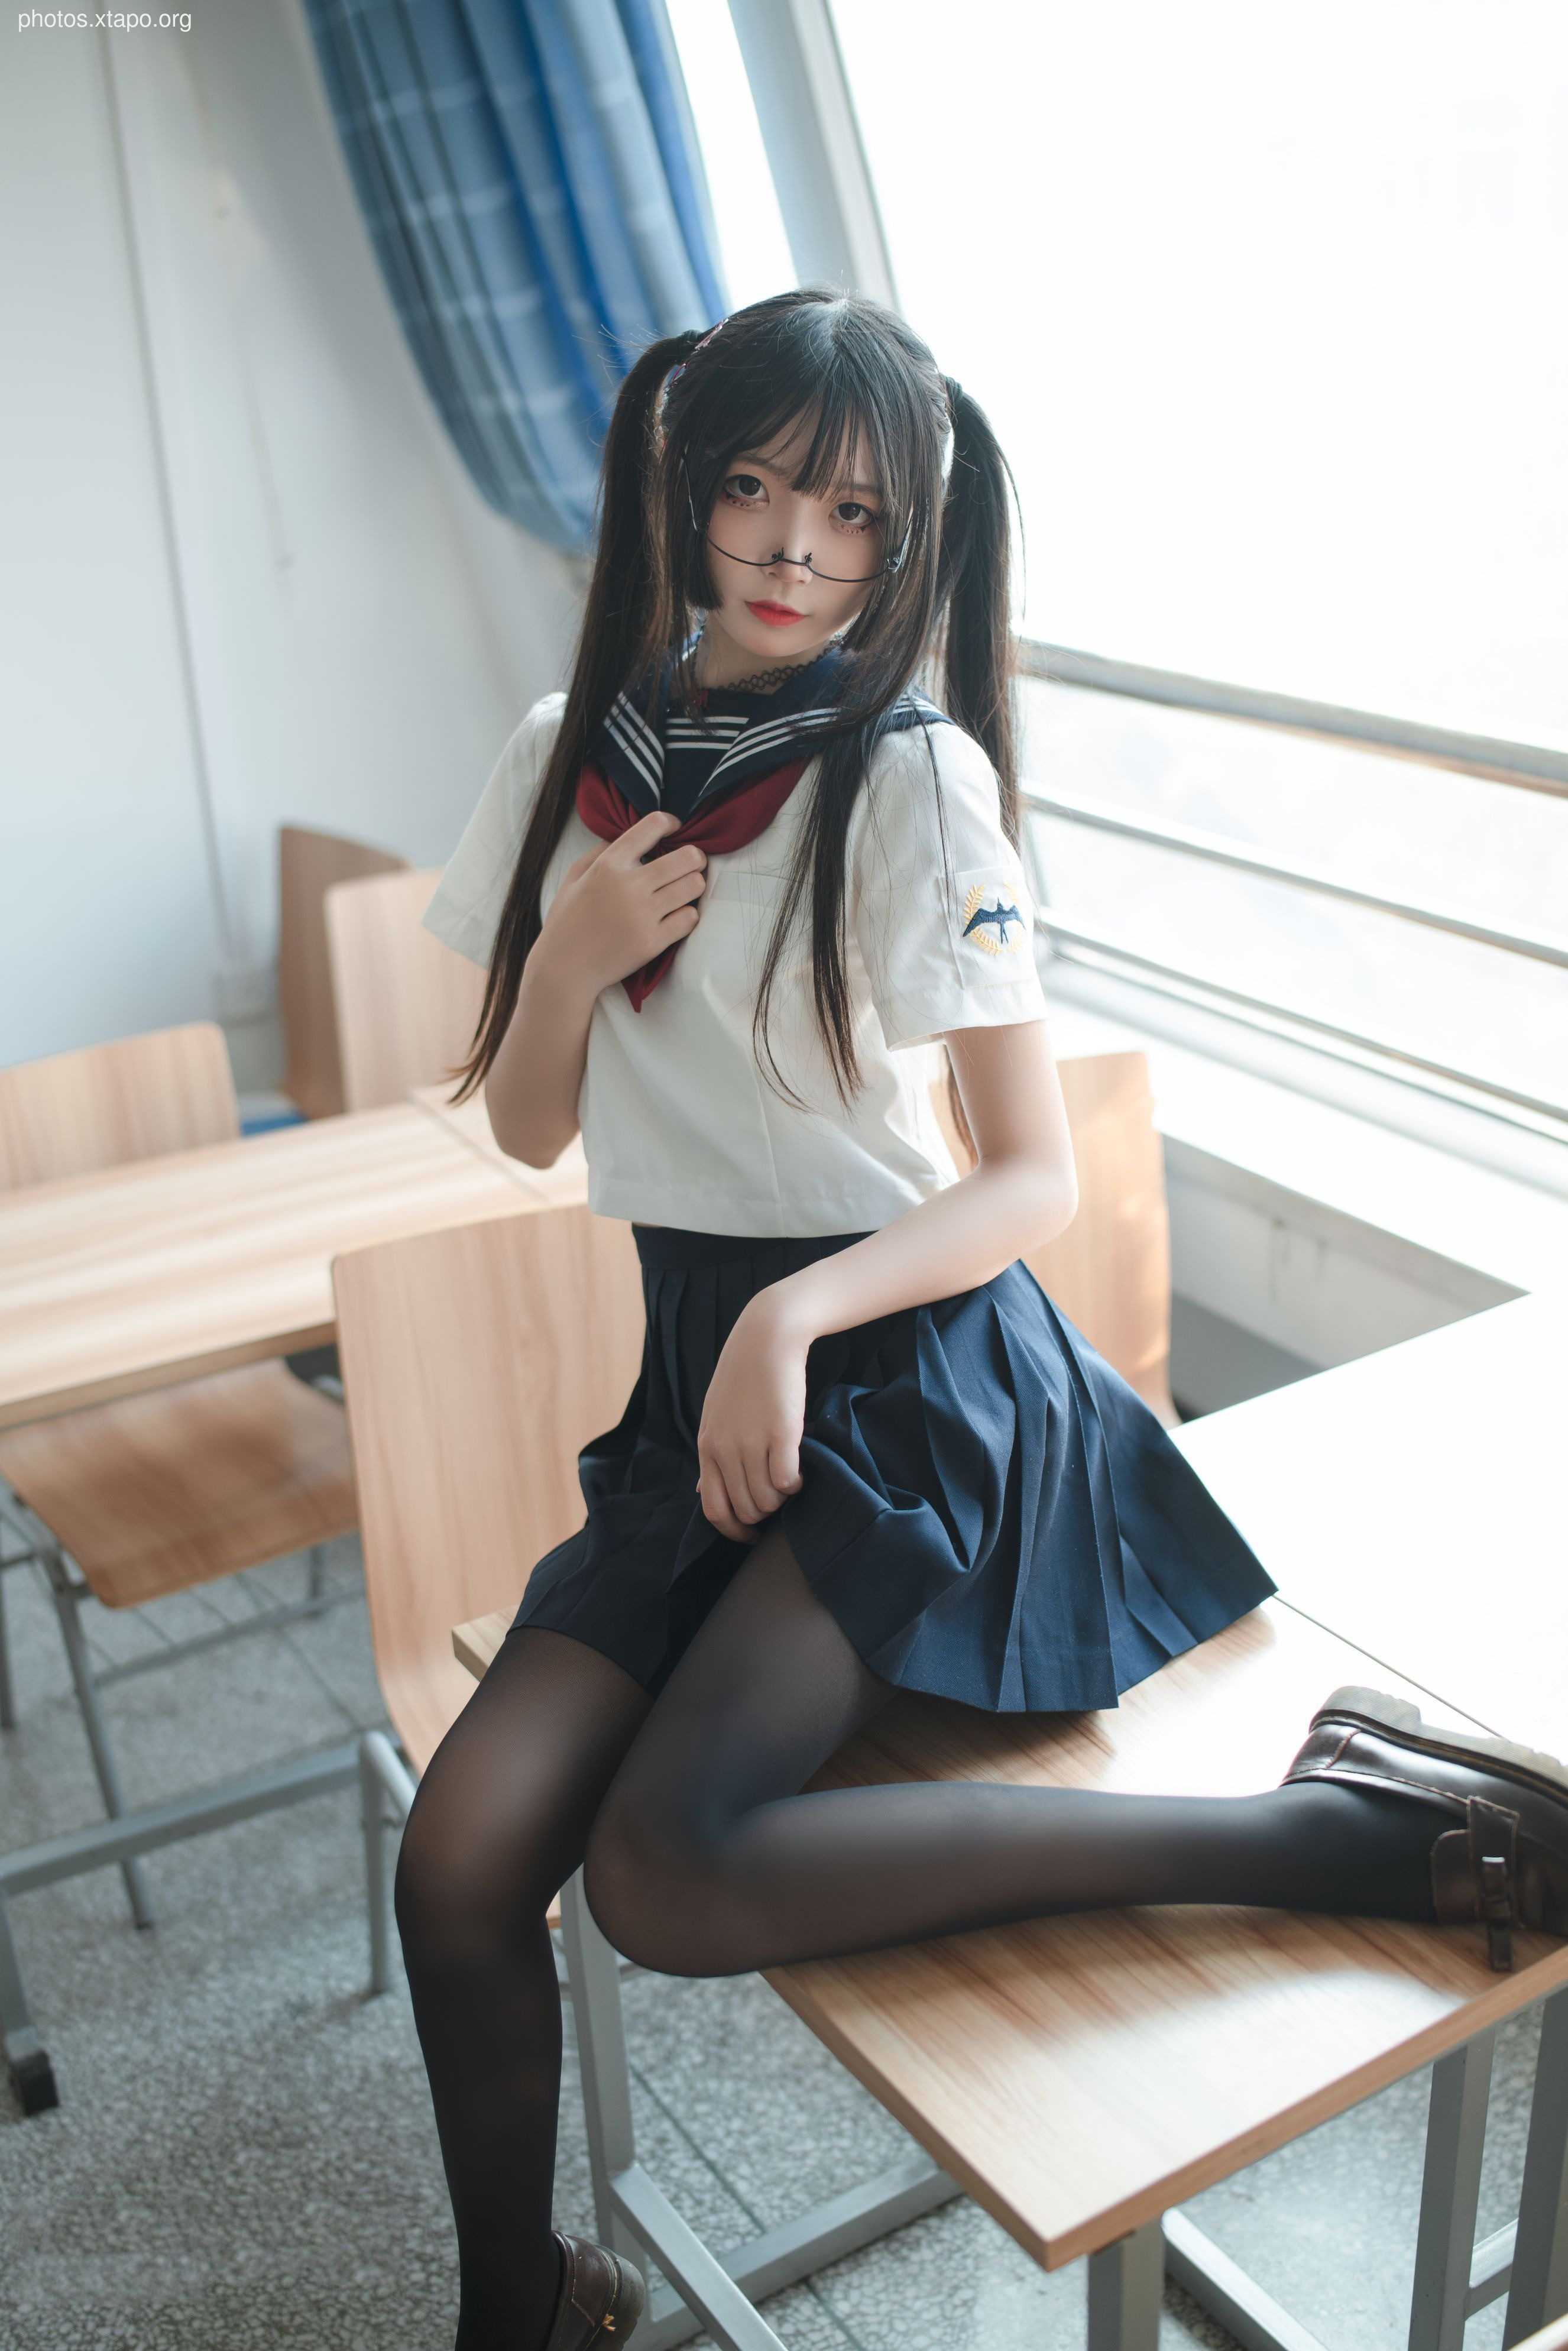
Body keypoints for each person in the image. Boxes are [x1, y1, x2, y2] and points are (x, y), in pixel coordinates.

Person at [404, 290, 1568, 2351]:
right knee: (462, 1862)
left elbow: (1024, 1177)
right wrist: (572, 962)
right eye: (748, 488)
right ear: (679, 481)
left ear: (906, 540)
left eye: (845, 516)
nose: (784, 552)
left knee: (668, 1881)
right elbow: (520, 1128)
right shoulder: (558, 754)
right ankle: (529, 2307)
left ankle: (1334, 1836)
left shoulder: (907, 777)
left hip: (917, 1374)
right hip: (696, 1371)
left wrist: (801, 1325)